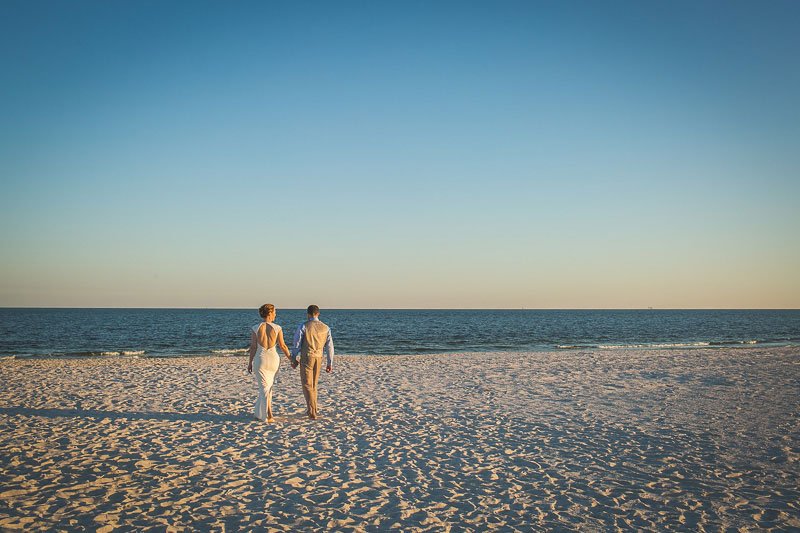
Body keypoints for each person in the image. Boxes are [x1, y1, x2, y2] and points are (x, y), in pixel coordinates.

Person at [248, 304, 292, 423]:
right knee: (269, 387)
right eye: (275, 312)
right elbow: (283, 346)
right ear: (270, 313)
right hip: (273, 359)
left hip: (260, 359)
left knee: (264, 388)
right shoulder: (277, 328)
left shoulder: (256, 328)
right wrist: (291, 359)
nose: (275, 314)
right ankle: (268, 413)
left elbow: (253, 347)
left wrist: (250, 362)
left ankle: (268, 413)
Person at [291, 305, 334, 420]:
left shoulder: (304, 326)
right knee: (314, 384)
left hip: (307, 355)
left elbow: (297, 343)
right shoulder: (326, 327)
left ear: (308, 314)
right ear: (318, 314)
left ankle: (312, 410)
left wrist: (293, 357)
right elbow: (330, 347)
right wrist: (330, 362)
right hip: (319, 357)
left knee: (307, 384)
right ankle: (313, 408)